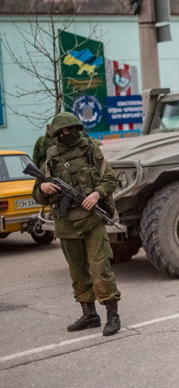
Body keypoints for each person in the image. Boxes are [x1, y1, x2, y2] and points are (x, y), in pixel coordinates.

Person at [32, 112, 122, 336]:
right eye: (63, 131)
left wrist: (96, 194)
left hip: (91, 220)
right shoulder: (51, 157)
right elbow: (37, 193)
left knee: (101, 268)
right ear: (56, 133)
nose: (68, 134)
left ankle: (113, 316)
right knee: (77, 272)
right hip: (65, 223)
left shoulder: (91, 149)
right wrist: (43, 188)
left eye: (72, 129)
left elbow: (110, 179)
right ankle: (89, 314)